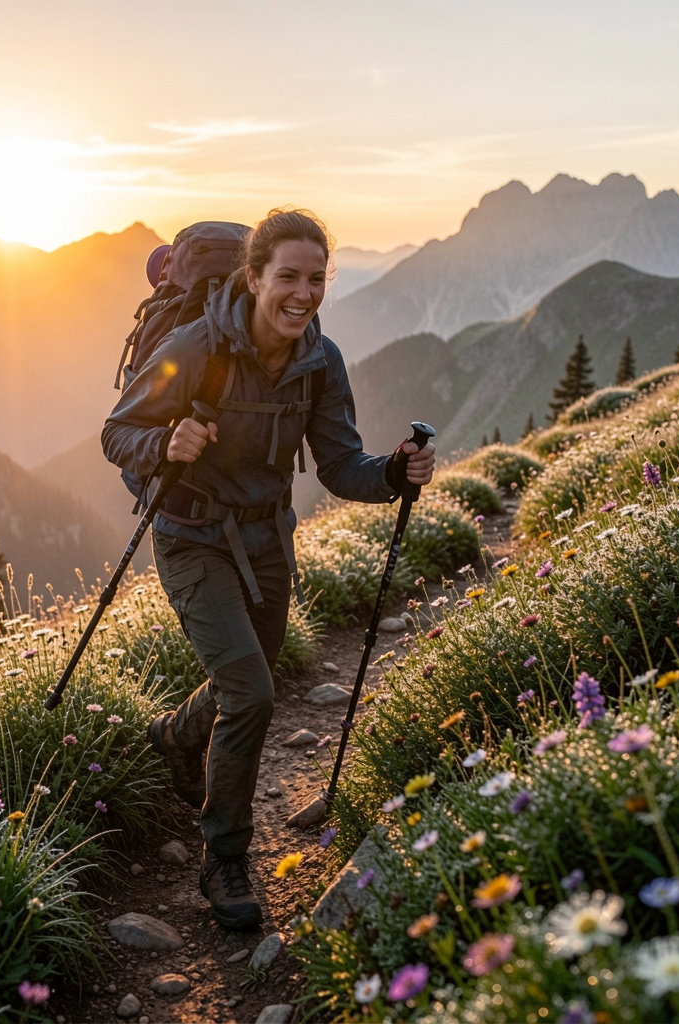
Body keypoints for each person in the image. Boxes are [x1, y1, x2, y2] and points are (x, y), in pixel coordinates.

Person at [101, 209, 435, 930]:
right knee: (249, 691)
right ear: (254, 278)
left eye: (317, 279)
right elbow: (116, 431)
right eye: (287, 276)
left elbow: (343, 465)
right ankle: (223, 855)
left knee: (246, 678)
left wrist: (396, 474)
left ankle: (174, 737)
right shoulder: (194, 347)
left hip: (267, 541)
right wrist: (167, 439)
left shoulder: (321, 362)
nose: (303, 293)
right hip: (191, 536)